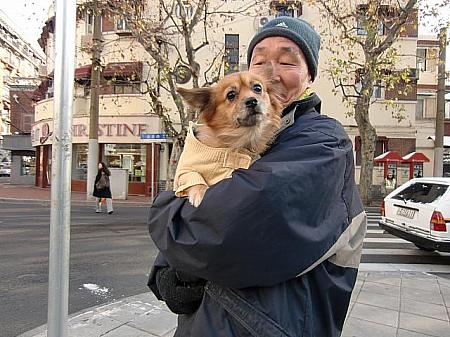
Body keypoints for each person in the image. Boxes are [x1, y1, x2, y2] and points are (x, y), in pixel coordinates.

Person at [147, 16, 366, 337]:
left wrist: (162, 214)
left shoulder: (323, 141)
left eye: (288, 61)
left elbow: (224, 229)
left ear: (310, 75)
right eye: (260, 61)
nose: (271, 72)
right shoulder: (246, 139)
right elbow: (197, 210)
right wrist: (166, 267)